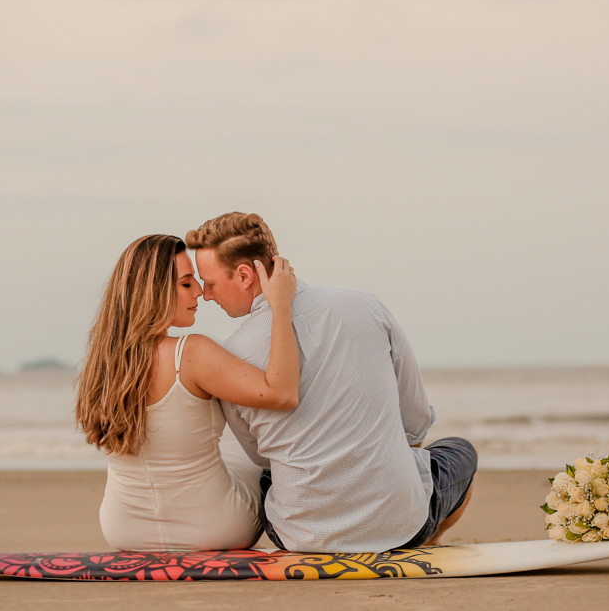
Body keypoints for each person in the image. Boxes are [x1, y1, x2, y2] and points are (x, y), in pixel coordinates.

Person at [185, 213, 477, 553]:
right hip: (403, 523)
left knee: (266, 476)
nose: (205, 294)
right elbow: (416, 422)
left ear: (245, 275)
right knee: (460, 451)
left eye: (210, 282)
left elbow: (260, 456)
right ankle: (426, 537)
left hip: (300, 537)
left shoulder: (231, 354)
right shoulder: (363, 304)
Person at [75, 234, 299, 551]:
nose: (199, 292)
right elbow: (283, 394)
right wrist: (281, 308)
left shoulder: (102, 366)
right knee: (247, 449)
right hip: (215, 529)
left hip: (125, 531)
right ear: (154, 292)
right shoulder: (190, 352)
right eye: (186, 283)